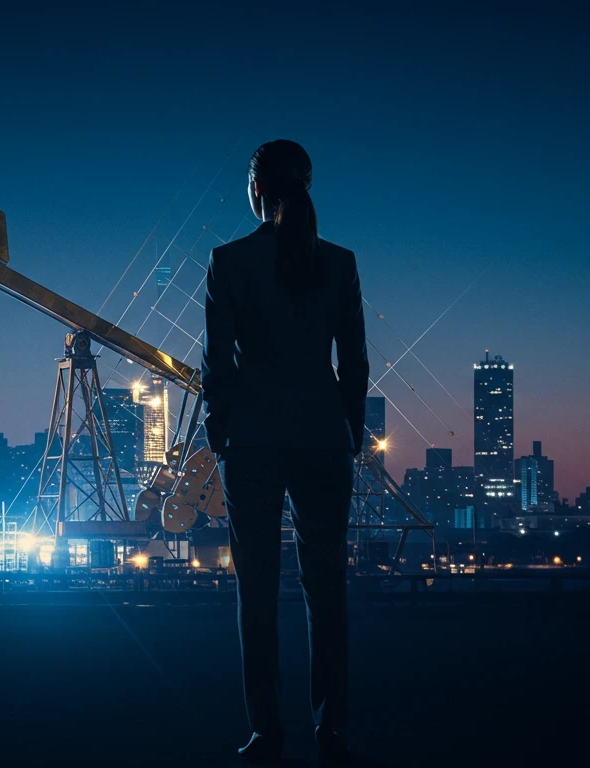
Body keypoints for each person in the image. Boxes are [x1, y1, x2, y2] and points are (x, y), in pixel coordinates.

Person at [201, 139, 368, 764]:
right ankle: (332, 727)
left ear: (255, 189)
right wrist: (348, 427)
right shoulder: (340, 263)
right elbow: (353, 361)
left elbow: (218, 366)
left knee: (258, 593)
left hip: (254, 442)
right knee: (328, 591)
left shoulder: (229, 262)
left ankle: (266, 732)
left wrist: (222, 429)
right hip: (323, 438)